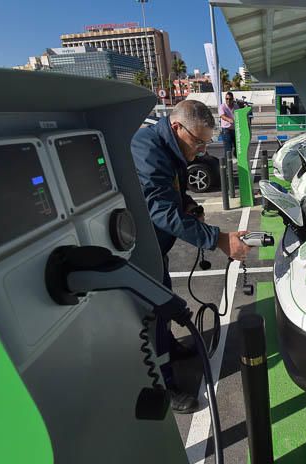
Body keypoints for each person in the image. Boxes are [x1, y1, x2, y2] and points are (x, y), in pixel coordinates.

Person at [131, 100, 251, 413]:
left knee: (164, 297)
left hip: (156, 249)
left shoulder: (167, 147)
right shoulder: (147, 150)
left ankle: (168, 345)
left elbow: (171, 195)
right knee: (154, 312)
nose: (200, 149)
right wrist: (220, 239)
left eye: (205, 142)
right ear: (176, 128)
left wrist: (189, 206)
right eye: (197, 142)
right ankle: (163, 383)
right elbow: (159, 209)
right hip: (139, 252)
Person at [219, 91, 239, 157]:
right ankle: (226, 165)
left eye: (230, 99)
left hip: (235, 129)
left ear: (232, 99)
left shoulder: (236, 106)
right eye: (226, 99)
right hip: (226, 130)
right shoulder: (222, 106)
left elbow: (239, 114)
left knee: (238, 147)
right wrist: (229, 120)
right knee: (228, 149)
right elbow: (222, 116)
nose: (228, 100)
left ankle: (238, 159)